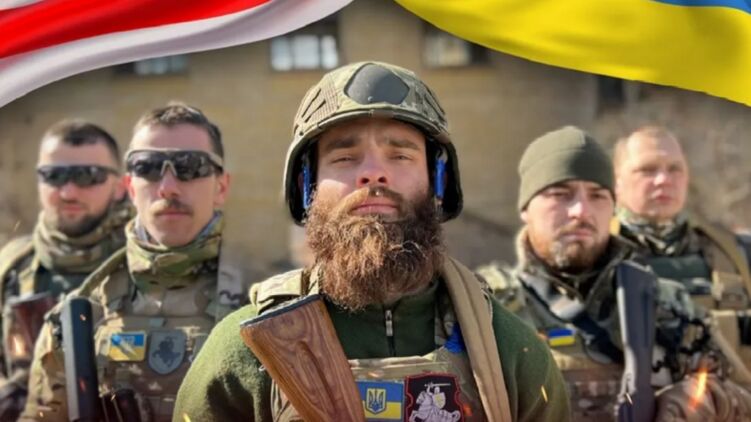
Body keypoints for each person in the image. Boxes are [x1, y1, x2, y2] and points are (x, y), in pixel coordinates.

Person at [174, 61, 569, 422]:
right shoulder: (247, 352)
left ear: (439, 181)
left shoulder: (509, 351)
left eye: (400, 156)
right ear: (308, 186)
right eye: (345, 157)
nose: (374, 173)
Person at [478, 126, 751, 421]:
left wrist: (693, 403)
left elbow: (740, 395)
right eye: (560, 194)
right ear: (526, 208)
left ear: (612, 206)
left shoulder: (665, 304)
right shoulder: (483, 308)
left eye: (597, 196)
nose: (581, 211)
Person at [21, 103, 250, 421]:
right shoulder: (76, 319)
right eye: (148, 167)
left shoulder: (267, 305)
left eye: (190, 166)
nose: (168, 188)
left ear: (221, 187)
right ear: (130, 187)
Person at [0, 120, 130, 420]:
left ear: (120, 187)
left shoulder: (145, 265)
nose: (69, 192)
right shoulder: (12, 265)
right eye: (54, 176)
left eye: (88, 176)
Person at [612, 125, 751, 309]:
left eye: (674, 169)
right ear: (617, 182)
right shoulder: (593, 254)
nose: (664, 180)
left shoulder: (737, 252)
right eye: (648, 170)